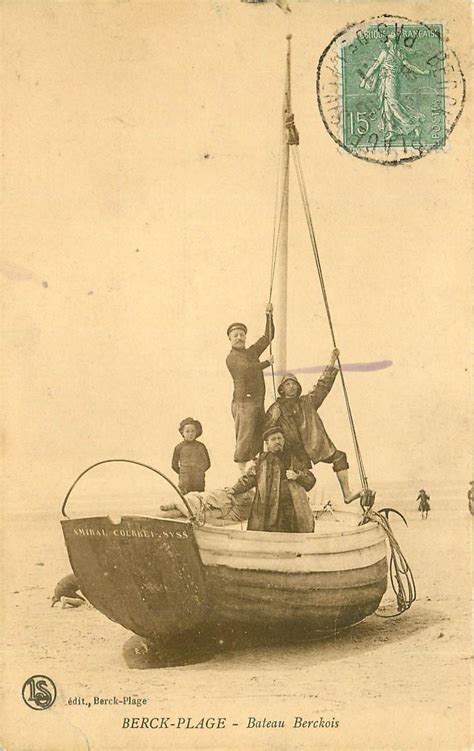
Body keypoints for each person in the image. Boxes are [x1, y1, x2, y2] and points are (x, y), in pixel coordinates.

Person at [265, 348, 355, 502]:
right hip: (291, 452)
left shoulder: (307, 402)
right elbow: (267, 431)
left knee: (340, 457)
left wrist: (332, 361)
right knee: (298, 481)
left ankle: (347, 494)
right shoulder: (275, 408)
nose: (291, 387)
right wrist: (273, 419)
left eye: (294, 384)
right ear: (282, 389)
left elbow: (322, 386)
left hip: (312, 446)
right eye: (287, 384)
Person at [226, 426, 315, 533]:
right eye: (273, 439)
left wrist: (298, 475)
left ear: (284, 440)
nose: (277, 441)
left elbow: (311, 480)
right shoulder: (261, 462)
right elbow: (248, 479)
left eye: (280, 438)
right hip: (267, 512)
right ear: (267, 443)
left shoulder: (294, 459)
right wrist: (234, 489)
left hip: (291, 512)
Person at [226, 303, 275, 473]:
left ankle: (254, 475)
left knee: (257, 438)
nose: (239, 337)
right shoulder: (232, 358)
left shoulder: (251, 352)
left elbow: (268, 337)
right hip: (243, 403)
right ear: (230, 339)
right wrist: (267, 363)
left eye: (241, 335)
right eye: (235, 336)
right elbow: (247, 368)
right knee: (244, 437)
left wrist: (269, 315)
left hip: (257, 402)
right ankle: (241, 474)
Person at [359, 32, 429, 143]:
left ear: (391, 42)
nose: (385, 43)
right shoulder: (399, 53)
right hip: (386, 81)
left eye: (386, 41)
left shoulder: (386, 53)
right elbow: (409, 66)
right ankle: (391, 131)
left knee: (393, 104)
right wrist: (423, 72)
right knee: (386, 106)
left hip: (390, 81)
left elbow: (374, 67)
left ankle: (413, 125)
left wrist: (364, 80)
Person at [171, 417, 211, 495]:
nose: (190, 433)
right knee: (186, 501)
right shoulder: (179, 447)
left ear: (197, 432)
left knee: (198, 499)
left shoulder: (201, 446)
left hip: (198, 480)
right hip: (185, 482)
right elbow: (174, 465)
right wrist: (184, 473)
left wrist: (199, 472)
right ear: (182, 432)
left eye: (193, 431)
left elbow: (207, 464)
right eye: (187, 431)